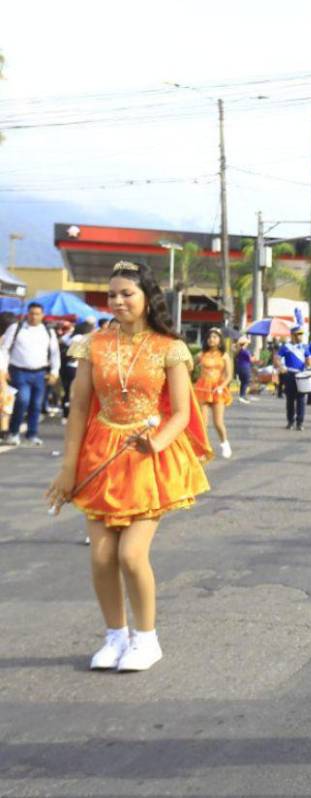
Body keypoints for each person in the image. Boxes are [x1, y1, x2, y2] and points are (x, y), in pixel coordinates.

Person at [44, 260, 211, 672]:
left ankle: (147, 639)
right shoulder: (93, 344)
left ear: (146, 298)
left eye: (127, 294)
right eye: (112, 295)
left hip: (148, 456)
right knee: (102, 557)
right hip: (100, 452)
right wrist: (68, 469)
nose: (117, 301)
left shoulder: (169, 347)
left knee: (132, 555)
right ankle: (115, 637)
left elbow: (181, 413)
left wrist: (154, 443)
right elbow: (79, 407)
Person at [1, 302, 61, 446]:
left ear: (42, 315)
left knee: (36, 405)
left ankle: (32, 435)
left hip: (40, 373)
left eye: (37, 314)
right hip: (19, 372)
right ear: (27, 314)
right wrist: (3, 369)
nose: (34, 317)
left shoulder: (48, 331)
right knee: (22, 401)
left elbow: (54, 353)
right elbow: (4, 350)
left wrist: (54, 371)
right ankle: (14, 433)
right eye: (31, 313)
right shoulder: (16, 328)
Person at [194, 328, 234, 459]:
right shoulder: (201, 355)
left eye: (215, 337)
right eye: (210, 337)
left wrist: (222, 386)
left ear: (220, 340)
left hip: (218, 389)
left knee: (218, 422)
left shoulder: (225, 356)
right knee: (202, 422)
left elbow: (229, 376)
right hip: (203, 388)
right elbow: (188, 366)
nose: (212, 339)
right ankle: (203, 450)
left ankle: (224, 443)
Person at [274, 326, 308, 431]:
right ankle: (290, 421)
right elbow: (277, 358)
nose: (300, 336)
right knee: (290, 400)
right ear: (293, 335)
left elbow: (310, 360)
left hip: (301, 376)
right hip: (290, 375)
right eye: (298, 334)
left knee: (301, 400)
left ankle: (300, 422)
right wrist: (281, 367)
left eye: (301, 334)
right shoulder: (286, 347)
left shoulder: (304, 347)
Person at [234, 336, 254, 403]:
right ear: (245, 343)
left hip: (240, 368)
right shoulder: (245, 351)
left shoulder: (239, 351)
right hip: (245, 368)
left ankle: (241, 396)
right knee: (245, 382)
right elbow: (251, 359)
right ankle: (242, 396)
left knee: (243, 382)